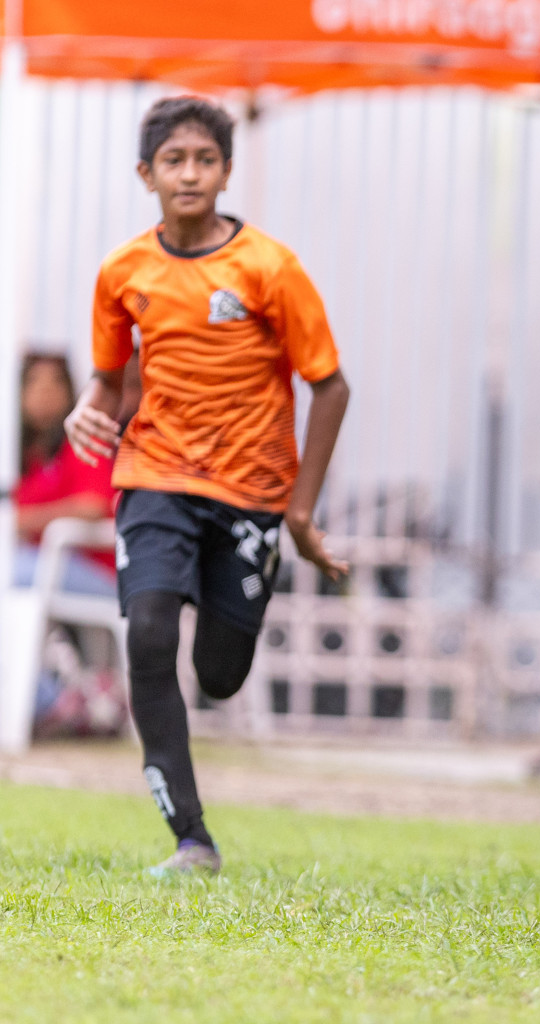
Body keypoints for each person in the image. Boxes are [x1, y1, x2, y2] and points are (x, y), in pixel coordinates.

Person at [64, 96, 350, 876]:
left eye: (205, 159)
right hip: (155, 476)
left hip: (251, 494)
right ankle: (192, 840)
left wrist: (299, 511)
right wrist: (87, 410)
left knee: (221, 677)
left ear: (226, 170)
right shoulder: (124, 271)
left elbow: (330, 387)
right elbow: (109, 380)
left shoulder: (269, 267)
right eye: (173, 161)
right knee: (150, 633)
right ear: (146, 174)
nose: (190, 173)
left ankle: (233, 616)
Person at [14, 353, 117, 595]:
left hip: (91, 569)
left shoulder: (84, 440)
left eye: (55, 383)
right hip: (40, 566)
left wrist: (24, 521)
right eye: (34, 382)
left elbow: (92, 506)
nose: (44, 392)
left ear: (70, 391)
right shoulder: (22, 456)